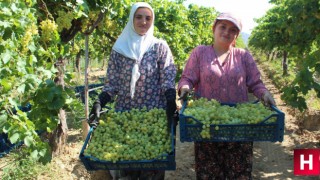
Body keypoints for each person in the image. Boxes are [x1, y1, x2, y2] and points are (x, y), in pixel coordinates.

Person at [178, 12, 276, 179]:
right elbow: (187, 77)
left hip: (239, 127)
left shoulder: (243, 56)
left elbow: (256, 83)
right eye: (222, 27)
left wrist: (265, 93)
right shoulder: (200, 53)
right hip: (206, 127)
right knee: (209, 173)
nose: (226, 32)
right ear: (214, 28)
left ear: (236, 35)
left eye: (232, 30)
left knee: (239, 173)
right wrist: (185, 87)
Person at [89, 2, 177, 180]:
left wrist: (170, 100)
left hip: (153, 117)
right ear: (131, 19)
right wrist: (100, 101)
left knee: (152, 169)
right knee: (126, 167)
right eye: (139, 17)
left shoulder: (159, 47)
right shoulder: (119, 49)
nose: (144, 21)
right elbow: (112, 83)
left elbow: (167, 78)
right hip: (125, 118)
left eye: (148, 18)